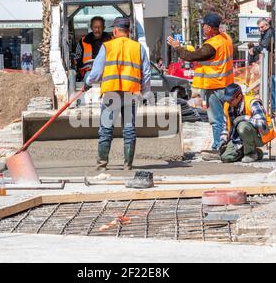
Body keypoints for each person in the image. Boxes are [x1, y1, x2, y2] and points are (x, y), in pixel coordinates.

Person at [84, 17, 151, 175]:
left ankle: (101, 165)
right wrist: (145, 93)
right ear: (128, 31)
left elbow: (97, 72)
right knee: (129, 130)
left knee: (106, 129)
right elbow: (146, 73)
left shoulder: (107, 46)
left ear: (115, 30)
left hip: (111, 93)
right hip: (131, 93)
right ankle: (128, 166)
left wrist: (88, 82)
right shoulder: (138, 48)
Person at [167, 13, 234, 160]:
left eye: (204, 26)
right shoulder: (226, 38)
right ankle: (228, 145)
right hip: (227, 84)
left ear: (210, 28)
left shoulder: (211, 45)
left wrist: (178, 47)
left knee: (216, 120)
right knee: (227, 117)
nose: (203, 28)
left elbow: (192, 56)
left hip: (215, 86)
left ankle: (218, 148)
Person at [217, 83, 276, 163]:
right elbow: (225, 127)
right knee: (225, 157)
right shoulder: (227, 105)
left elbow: (262, 124)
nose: (228, 102)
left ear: (239, 96)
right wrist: (223, 140)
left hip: (260, 136)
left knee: (242, 126)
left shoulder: (252, 103)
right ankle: (256, 153)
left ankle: (251, 154)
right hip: (239, 137)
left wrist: (244, 118)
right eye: (226, 100)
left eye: (231, 100)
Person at [249, 18, 275, 114]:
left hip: (272, 64)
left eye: (262, 27)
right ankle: (272, 108)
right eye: (259, 28)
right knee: (270, 86)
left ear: (267, 25)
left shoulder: (269, 32)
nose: (260, 29)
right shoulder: (265, 33)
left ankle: (274, 109)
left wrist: (254, 50)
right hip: (270, 63)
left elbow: (264, 45)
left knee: (272, 85)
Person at [75, 16, 112, 82]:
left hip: (107, 71)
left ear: (104, 28)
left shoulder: (111, 41)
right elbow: (77, 59)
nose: (97, 30)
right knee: (87, 78)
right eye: (95, 27)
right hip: (88, 72)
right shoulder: (83, 41)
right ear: (91, 28)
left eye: (100, 27)